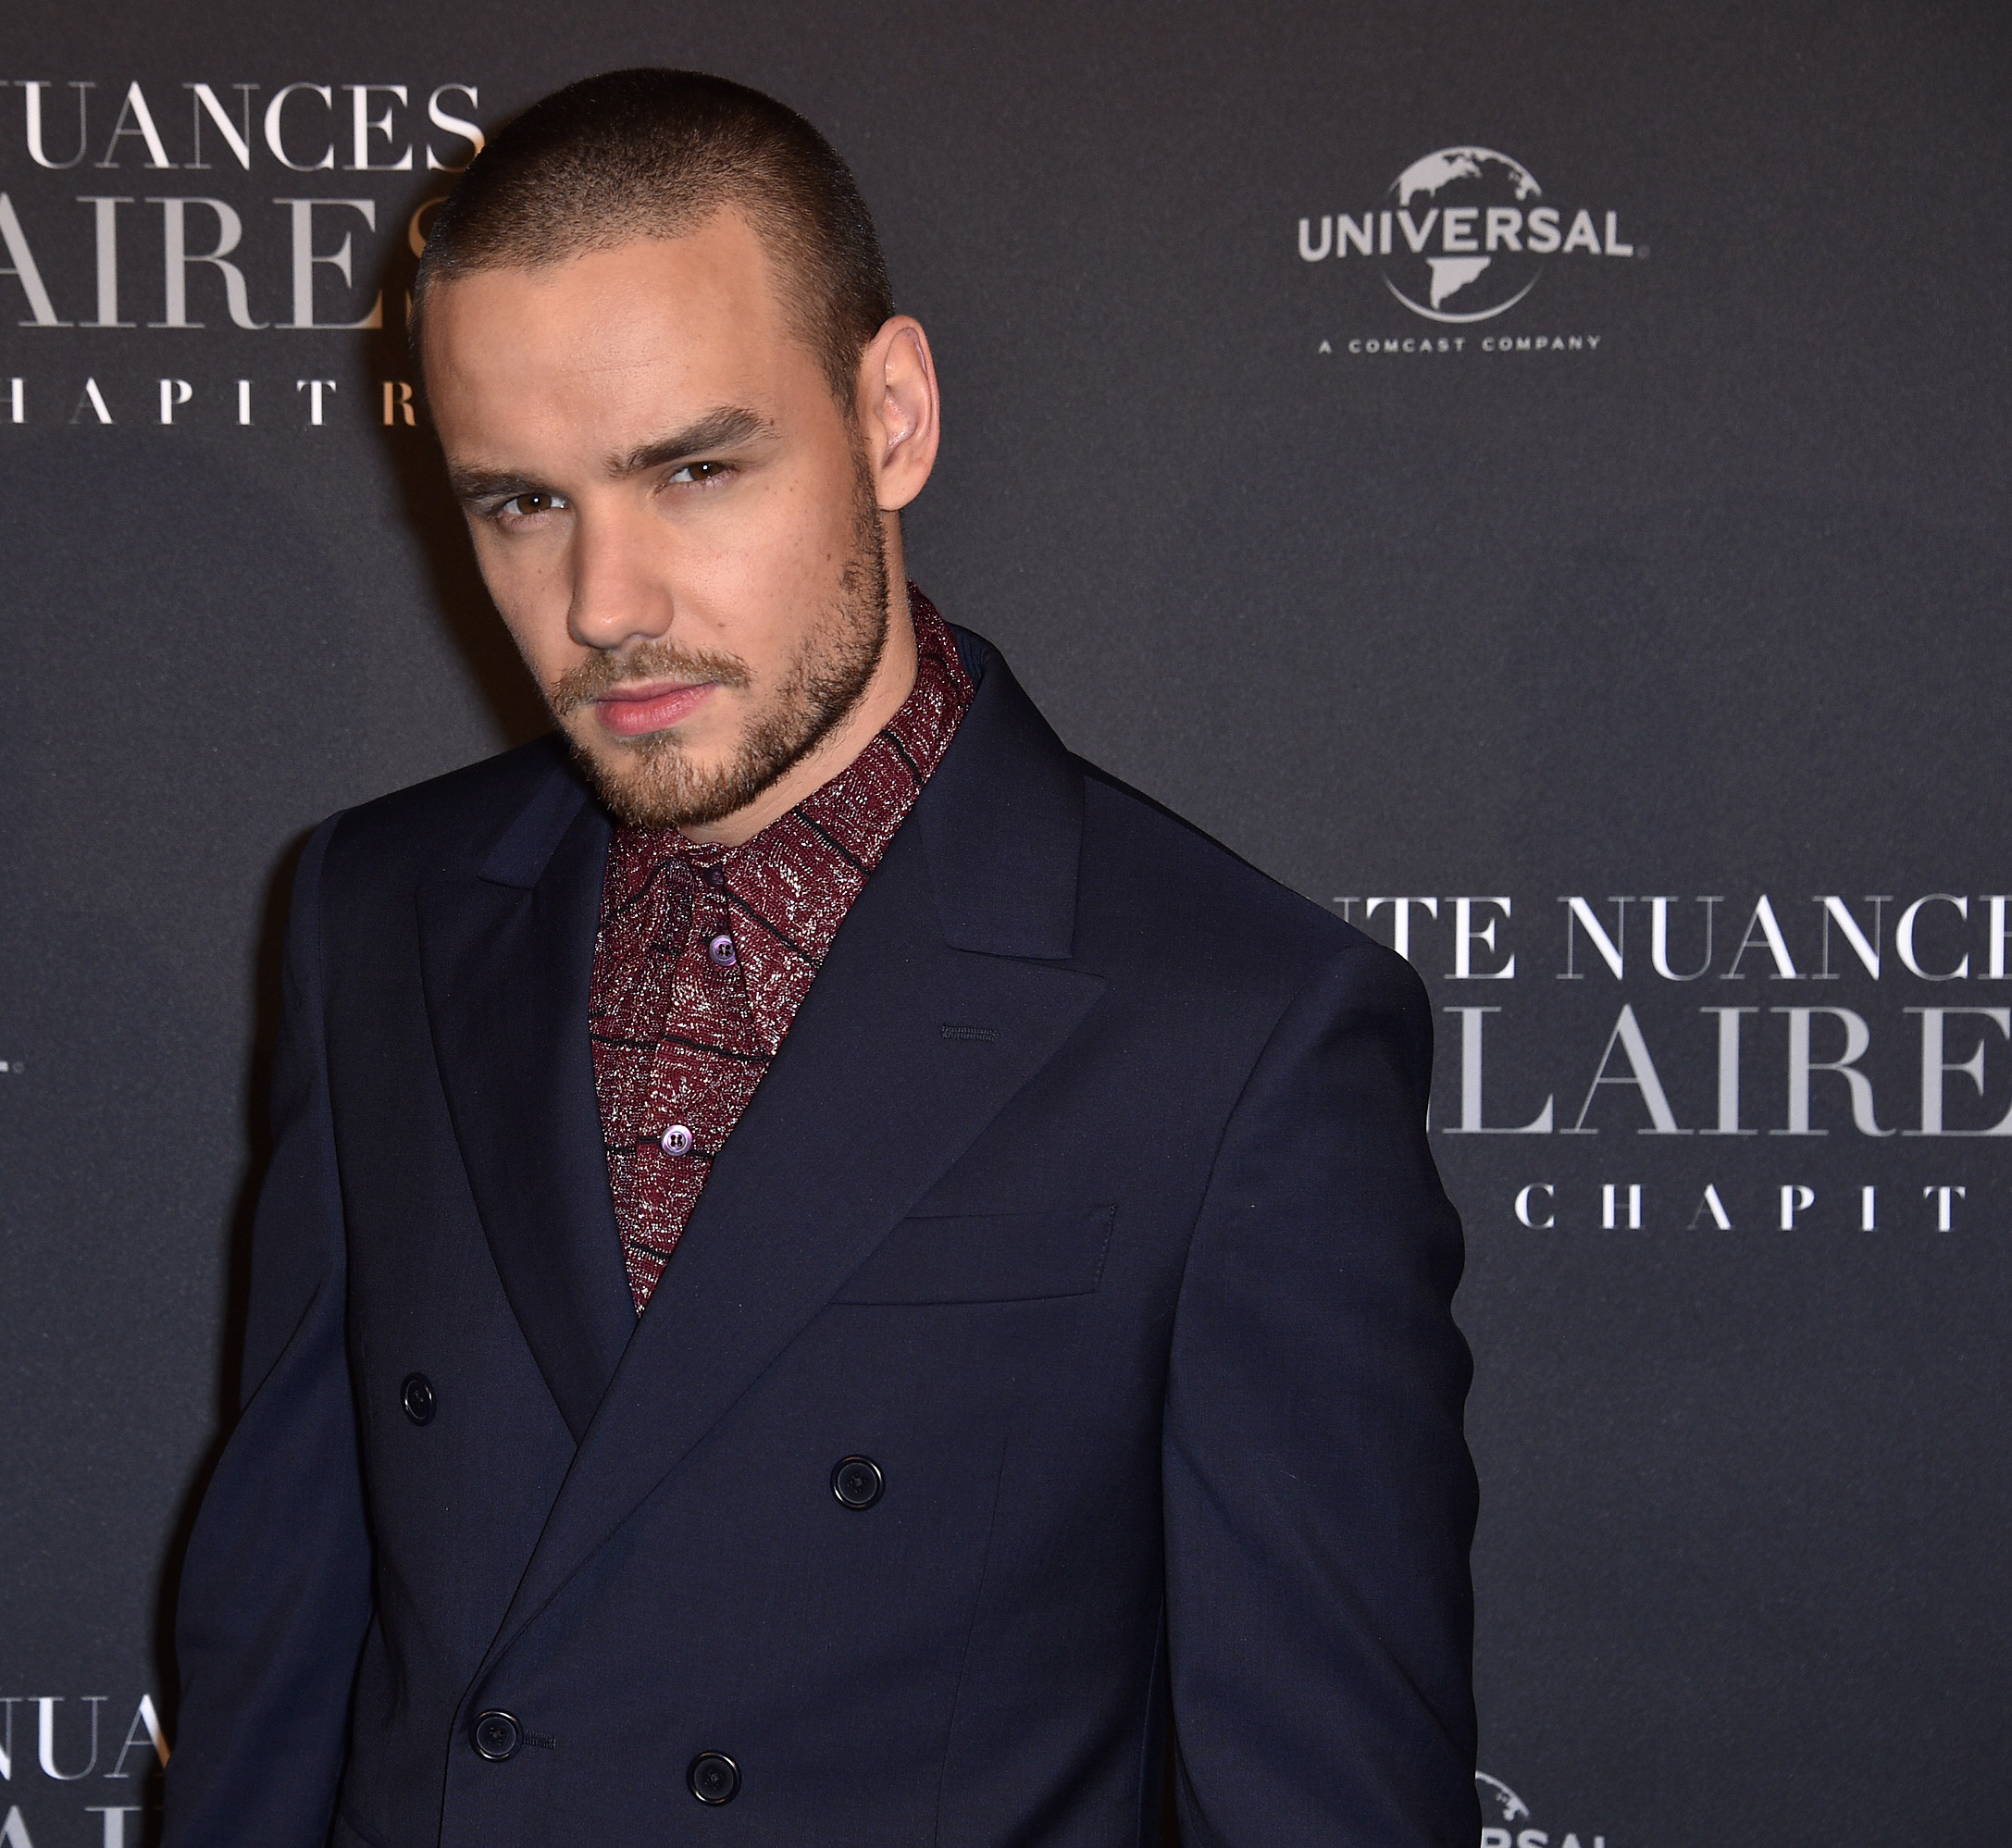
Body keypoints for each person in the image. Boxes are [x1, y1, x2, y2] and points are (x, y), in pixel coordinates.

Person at [165, 68, 1477, 1848]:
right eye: (521, 504)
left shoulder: (1235, 1031)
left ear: (894, 416)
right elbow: (276, 1646)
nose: (608, 600)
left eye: (692, 470)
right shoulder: (372, 911)